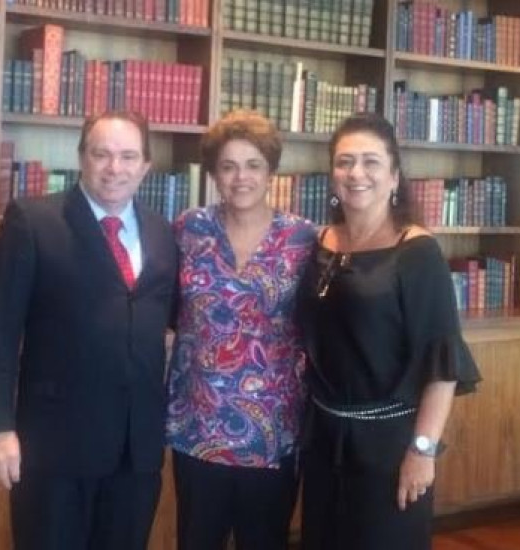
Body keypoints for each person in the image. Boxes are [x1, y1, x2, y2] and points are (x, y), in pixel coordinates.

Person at [0, 111, 178, 550]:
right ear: (82, 157)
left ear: (146, 165)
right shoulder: (32, 222)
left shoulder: (163, 232)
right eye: (101, 154)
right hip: (54, 446)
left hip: (136, 450)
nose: (114, 168)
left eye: (128, 156)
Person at [297, 112, 481, 550]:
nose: (356, 173)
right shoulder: (319, 242)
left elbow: (442, 365)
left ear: (394, 176)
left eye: (371, 161)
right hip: (322, 437)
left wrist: (423, 450)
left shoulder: (417, 252)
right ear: (332, 174)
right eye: (345, 162)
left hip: (390, 445)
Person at [166, 110, 316, 550]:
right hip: (197, 426)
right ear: (214, 173)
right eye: (228, 166)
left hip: (273, 429)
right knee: (197, 541)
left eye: (253, 165)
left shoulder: (302, 239)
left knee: (264, 541)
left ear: (270, 171)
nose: (240, 177)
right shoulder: (189, 229)